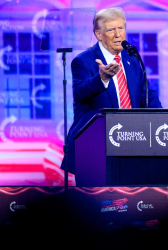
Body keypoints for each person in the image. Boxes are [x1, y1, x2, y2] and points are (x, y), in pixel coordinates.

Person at [61, 8, 162, 174]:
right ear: (99, 35)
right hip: (95, 147)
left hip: (132, 143)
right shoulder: (83, 61)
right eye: (111, 30)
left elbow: (147, 95)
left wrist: (164, 120)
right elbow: (81, 93)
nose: (118, 35)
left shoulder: (132, 59)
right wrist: (102, 79)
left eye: (121, 28)